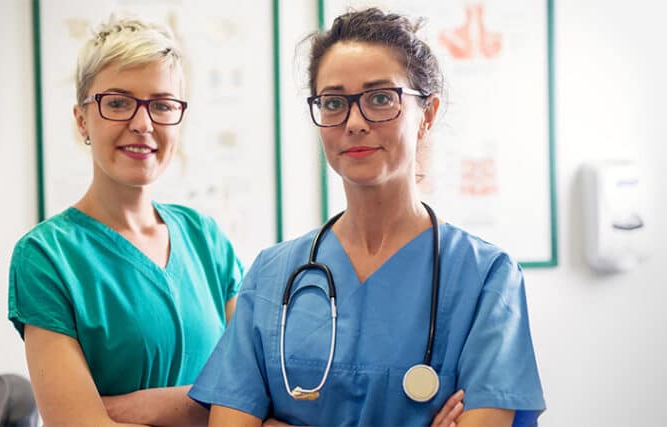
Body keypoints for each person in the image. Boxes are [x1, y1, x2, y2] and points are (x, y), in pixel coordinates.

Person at [189, 8, 545, 427]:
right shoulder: (273, 274)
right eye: (334, 102)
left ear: (426, 114)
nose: (354, 122)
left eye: (380, 99)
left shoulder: (486, 277)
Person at [7, 14, 242, 427]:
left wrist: (145, 408)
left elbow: (255, 396)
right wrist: (209, 408)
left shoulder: (207, 240)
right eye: (117, 102)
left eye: (162, 105)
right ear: (82, 119)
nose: (142, 123)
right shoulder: (46, 257)